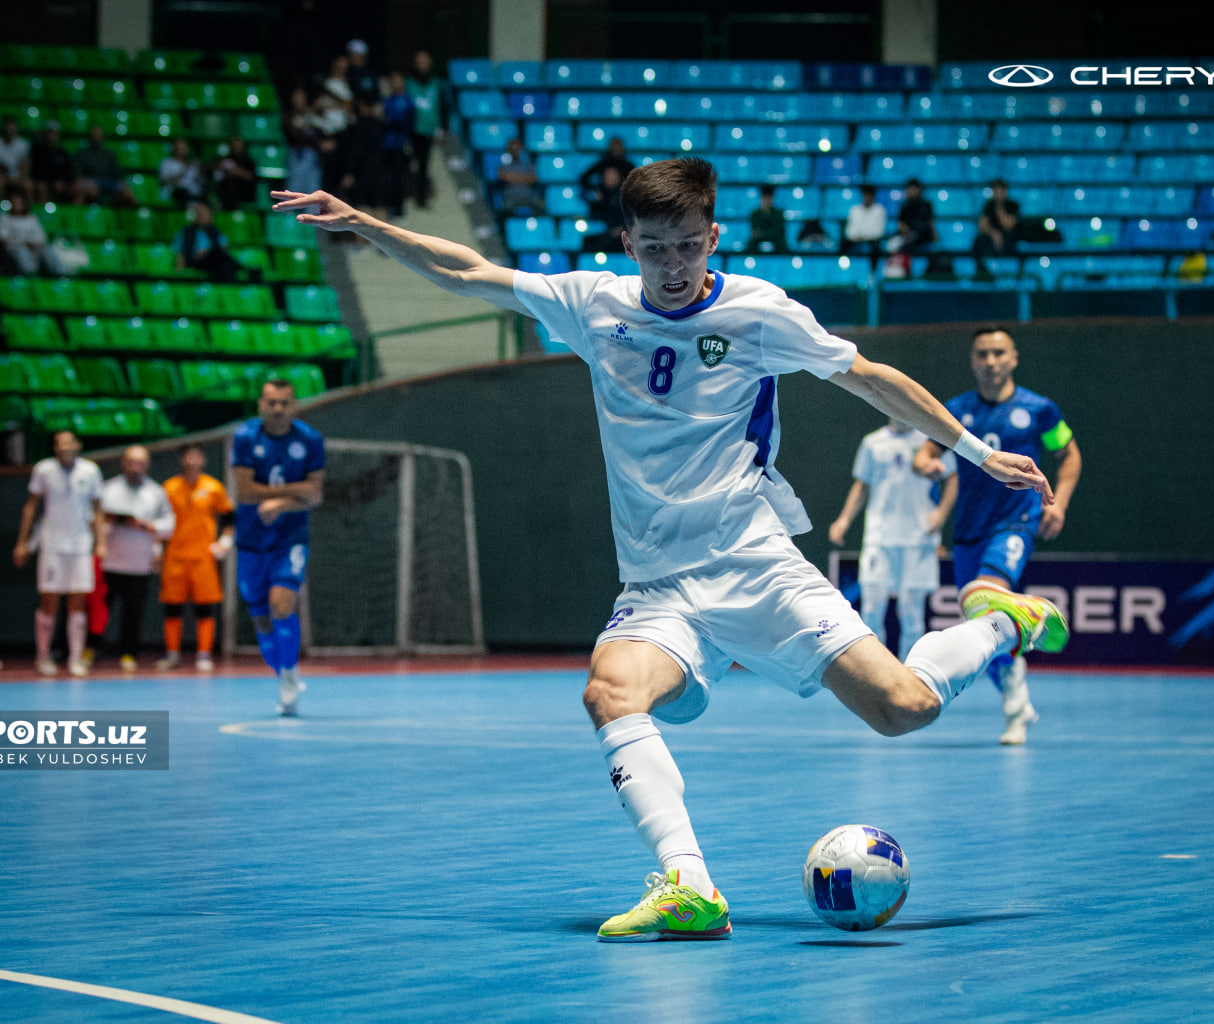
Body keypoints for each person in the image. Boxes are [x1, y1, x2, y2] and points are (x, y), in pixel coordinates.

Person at [270, 158, 1069, 942]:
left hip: (757, 567)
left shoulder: (759, 313)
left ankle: (1004, 623)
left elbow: (867, 377)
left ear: (713, 235)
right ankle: (689, 885)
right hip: (656, 584)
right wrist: (369, 227)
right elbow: (469, 270)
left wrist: (974, 450)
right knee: (608, 693)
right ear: (627, 243)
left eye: (688, 244)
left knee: (904, 709)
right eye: (655, 247)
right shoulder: (592, 305)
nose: (674, 264)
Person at [914, 327, 1082, 745]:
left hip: (1015, 524)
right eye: (982, 354)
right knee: (985, 621)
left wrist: (1057, 503)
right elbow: (926, 452)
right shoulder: (956, 410)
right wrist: (926, 465)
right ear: (973, 361)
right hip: (968, 531)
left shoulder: (1040, 410)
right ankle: (1017, 699)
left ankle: (1014, 708)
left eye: (998, 353)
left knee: (985, 593)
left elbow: (1068, 454)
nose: (990, 361)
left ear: (1014, 358)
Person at [232, 379, 325, 715]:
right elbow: (245, 492)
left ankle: (289, 674)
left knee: (282, 605)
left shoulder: (310, 439)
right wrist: (294, 492)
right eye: (271, 403)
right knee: (261, 619)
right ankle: (282, 668)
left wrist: (281, 504)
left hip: (290, 540)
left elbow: (316, 495)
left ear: (294, 405)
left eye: (284, 403)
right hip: (251, 541)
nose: (278, 409)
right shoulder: (245, 437)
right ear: (261, 405)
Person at [828, 418, 957, 660]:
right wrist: (844, 519)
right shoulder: (872, 443)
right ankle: (876, 671)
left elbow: (952, 477)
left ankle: (912, 672)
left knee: (911, 613)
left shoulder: (930, 443)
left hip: (919, 539)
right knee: (872, 611)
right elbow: (862, 485)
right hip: (880, 538)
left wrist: (941, 514)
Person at [12, 430, 107, 678]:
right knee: (49, 602)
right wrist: (22, 543)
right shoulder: (43, 470)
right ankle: (43, 656)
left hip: (80, 547)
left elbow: (98, 510)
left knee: (78, 603)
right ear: (54, 448)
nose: (64, 446)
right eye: (58, 443)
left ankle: (75, 659)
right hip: (52, 545)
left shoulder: (90, 471)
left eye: (68, 442)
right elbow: (31, 506)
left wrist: (101, 543)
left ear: (77, 444)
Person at [90, 446, 174, 672]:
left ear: (147, 465)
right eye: (131, 462)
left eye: (141, 463)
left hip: (139, 563)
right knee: (99, 610)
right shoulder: (108, 489)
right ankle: (91, 648)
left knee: (133, 612)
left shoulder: (156, 492)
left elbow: (169, 525)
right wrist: (110, 522)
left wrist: (146, 525)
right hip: (109, 561)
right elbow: (92, 518)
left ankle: (129, 653)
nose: (136, 467)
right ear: (123, 463)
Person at [158, 443, 235, 672]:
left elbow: (229, 516)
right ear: (182, 460)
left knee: (204, 607)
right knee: (172, 607)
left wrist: (225, 540)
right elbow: (160, 520)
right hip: (175, 555)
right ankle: (172, 655)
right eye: (187, 457)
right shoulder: (169, 488)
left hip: (203, 557)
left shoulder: (213, 487)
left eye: (196, 456)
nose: (192, 461)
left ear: (202, 459)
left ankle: (203, 655)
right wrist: (156, 548)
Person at [405, 48, 446, 209]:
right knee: (408, 164)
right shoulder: (408, 83)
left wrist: (441, 129)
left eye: (425, 62)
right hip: (410, 131)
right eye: (419, 62)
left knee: (423, 166)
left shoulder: (436, 83)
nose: (422, 65)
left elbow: (443, 107)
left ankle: (421, 198)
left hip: (428, 131)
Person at [173, 202, 254, 283]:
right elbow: (179, 251)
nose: (204, 216)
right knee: (218, 254)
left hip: (213, 261)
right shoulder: (186, 232)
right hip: (195, 261)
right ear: (195, 216)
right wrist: (180, 269)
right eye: (201, 214)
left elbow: (224, 249)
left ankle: (228, 287)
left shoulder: (215, 232)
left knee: (224, 264)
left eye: (206, 214)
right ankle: (242, 269)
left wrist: (208, 252)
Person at [0, 191, 68, 275]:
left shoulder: (32, 218)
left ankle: (60, 275)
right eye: (14, 202)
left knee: (48, 250)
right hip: (15, 248)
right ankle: (30, 275)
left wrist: (33, 245)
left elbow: (42, 237)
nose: (16, 204)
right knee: (21, 251)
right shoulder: (5, 218)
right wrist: (24, 243)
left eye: (19, 202)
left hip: (34, 247)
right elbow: (3, 238)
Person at [72, 125, 137, 206]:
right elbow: (78, 177)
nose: (96, 137)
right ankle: (77, 214)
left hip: (108, 184)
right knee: (81, 189)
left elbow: (119, 176)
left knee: (127, 190)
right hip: (90, 183)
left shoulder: (110, 155)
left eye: (99, 135)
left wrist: (123, 185)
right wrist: (89, 184)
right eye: (94, 135)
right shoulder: (81, 154)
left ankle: (137, 213)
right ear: (90, 137)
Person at [380, 72, 415, 220]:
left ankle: (399, 208)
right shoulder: (387, 100)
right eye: (393, 82)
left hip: (401, 145)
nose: (395, 85)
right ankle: (389, 206)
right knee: (388, 177)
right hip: (387, 145)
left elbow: (406, 121)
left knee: (399, 177)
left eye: (398, 82)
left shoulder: (408, 101)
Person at [973, 178, 1021, 274]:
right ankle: (982, 273)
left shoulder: (1013, 205)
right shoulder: (988, 205)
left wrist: (999, 207)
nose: (997, 194)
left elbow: (1008, 225)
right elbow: (982, 226)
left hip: (1009, 238)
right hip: (992, 238)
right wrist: (993, 233)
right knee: (979, 241)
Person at [29, 121, 75, 205]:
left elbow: (67, 171)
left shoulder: (62, 152)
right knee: (41, 186)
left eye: (54, 133)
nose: (51, 136)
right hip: (41, 180)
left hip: (58, 182)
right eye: (49, 133)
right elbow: (36, 169)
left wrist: (62, 181)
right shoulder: (38, 150)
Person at [582, 164, 626, 253]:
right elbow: (593, 216)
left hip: (622, 233)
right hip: (603, 233)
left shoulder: (626, 196)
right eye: (607, 175)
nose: (610, 178)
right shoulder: (597, 195)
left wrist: (621, 228)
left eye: (613, 174)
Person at [495, 136, 542, 217]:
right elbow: (502, 176)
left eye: (517, 147)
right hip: (510, 196)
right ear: (509, 149)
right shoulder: (504, 165)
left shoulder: (529, 164)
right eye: (512, 147)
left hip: (529, 195)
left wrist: (512, 178)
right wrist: (524, 178)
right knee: (505, 210)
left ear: (521, 148)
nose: (515, 149)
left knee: (541, 207)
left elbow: (534, 178)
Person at [890, 178, 936, 257]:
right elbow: (901, 224)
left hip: (923, 236)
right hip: (908, 236)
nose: (911, 191)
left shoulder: (926, 205)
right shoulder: (904, 205)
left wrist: (934, 237)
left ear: (919, 190)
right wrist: (908, 234)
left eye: (913, 189)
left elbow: (930, 223)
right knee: (893, 244)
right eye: (909, 189)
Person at [842, 184, 887, 259]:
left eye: (869, 195)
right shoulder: (854, 210)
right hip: (855, 241)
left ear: (873, 196)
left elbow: (878, 232)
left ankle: (873, 270)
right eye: (865, 195)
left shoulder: (880, 210)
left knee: (876, 248)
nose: (867, 197)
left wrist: (862, 235)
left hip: (872, 242)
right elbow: (849, 232)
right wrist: (861, 236)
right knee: (844, 244)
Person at [213, 136, 258, 212]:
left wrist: (236, 170)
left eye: (239, 145)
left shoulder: (249, 161)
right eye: (234, 145)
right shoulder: (226, 160)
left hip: (244, 194)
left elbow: (251, 178)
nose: (237, 148)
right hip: (227, 195)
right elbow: (217, 177)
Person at [158, 138, 205, 207]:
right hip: (175, 195)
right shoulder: (166, 163)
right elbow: (163, 181)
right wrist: (181, 174)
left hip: (193, 197)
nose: (183, 150)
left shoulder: (194, 163)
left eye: (184, 147)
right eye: (180, 147)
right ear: (174, 148)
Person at [746, 184, 788, 254]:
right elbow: (754, 232)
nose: (767, 201)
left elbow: (779, 232)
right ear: (761, 198)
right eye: (765, 198)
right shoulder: (755, 213)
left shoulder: (779, 213)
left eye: (769, 198)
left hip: (776, 240)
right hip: (759, 240)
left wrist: (762, 233)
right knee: (751, 244)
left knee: (782, 244)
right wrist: (768, 233)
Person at [0, 115, 31, 197]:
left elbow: (25, 166)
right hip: (3, 177)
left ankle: (28, 209)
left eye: (12, 129)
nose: (9, 132)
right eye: (7, 129)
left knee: (28, 185)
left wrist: (20, 178)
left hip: (19, 177)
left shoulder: (23, 144)